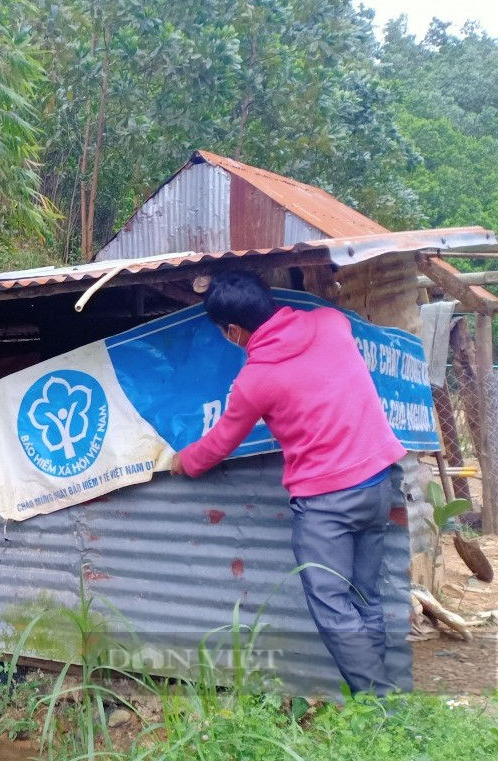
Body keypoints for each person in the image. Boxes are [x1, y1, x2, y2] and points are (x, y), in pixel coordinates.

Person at [169, 270, 406, 697]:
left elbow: (219, 443)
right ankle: (382, 696)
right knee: (365, 597)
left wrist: (181, 461)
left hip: (325, 503)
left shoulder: (255, 380)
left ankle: (379, 704)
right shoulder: (332, 324)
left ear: (235, 331)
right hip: (376, 483)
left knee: (333, 606)